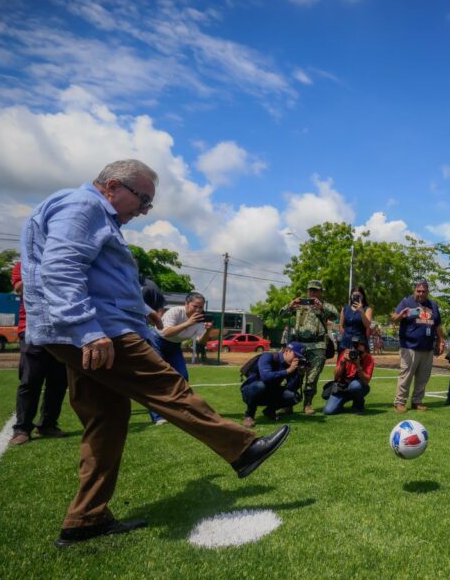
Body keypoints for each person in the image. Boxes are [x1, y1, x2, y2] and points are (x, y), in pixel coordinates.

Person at [21, 159, 288, 548]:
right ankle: (242, 449)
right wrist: (87, 330)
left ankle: (86, 517)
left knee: (107, 417)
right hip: (98, 331)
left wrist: (144, 312)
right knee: (167, 387)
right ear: (113, 186)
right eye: (143, 199)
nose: (145, 210)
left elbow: (100, 277)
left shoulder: (94, 213)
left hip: (85, 329)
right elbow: (61, 268)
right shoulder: (84, 207)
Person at [10, 261, 69, 445]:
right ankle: (22, 428)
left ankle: (48, 425)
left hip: (60, 330)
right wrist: (42, 271)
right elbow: (19, 288)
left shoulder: (61, 259)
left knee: (58, 381)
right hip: (32, 329)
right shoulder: (24, 264)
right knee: (30, 380)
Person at [147, 292, 212, 425]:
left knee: (182, 377)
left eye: (201, 307)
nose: (198, 310)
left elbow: (201, 341)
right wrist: (188, 323)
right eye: (195, 306)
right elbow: (166, 332)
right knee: (159, 378)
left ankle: (179, 410)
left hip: (174, 345)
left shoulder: (200, 319)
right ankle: (157, 416)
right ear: (187, 304)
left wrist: (208, 331)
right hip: (157, 341)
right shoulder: (175, 312)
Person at [284, 281, 338, 415]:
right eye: (310, 290)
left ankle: (308, 404)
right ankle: (288, 403)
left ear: (320, 292)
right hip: (299, 345)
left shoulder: (324, 306)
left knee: (312, 377)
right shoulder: (298, 305)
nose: (312, 293)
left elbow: (336, 315)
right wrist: (290, 306)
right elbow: (281, 315)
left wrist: (322, 307)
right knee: (294, 375)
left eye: (315, 290)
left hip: (317, 346)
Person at [391, 279, 445, 413]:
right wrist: (400, 316)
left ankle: (417, 401)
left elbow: (437, 325)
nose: (420, 294)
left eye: (423, 291)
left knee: (423, 378)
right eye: (418, 291)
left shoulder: (433, 305)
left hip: (427, 347)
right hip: (409, 346)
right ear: (414, 290)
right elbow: (393, 318)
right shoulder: (406, 302)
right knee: (406, 376)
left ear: (428, 292)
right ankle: (399, 402)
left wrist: (441, 340)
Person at [324, 338, 374, 415]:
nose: (356, 354)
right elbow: (336, 376)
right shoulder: (345, 354)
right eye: (356, 350)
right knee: (328, 411)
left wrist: (358, 365)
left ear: (365, 349)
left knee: (355, 386)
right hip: (342, 388)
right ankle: (341, 401)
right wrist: (342, 363)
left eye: (360, 352)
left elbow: (366, 381)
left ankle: (358, 403)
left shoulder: (368, 358)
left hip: (357, 386)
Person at [339, 286, 373, 351]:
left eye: (359, 296)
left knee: (360, 360)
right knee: (344, 361)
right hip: (345, 343)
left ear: (363, 296)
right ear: (351, 296)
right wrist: (346, 336)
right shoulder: (344, 309)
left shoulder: (367, 309)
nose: (356, 297)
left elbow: (367, 325)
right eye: (354, 295)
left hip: (360, 344)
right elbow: (341, 326)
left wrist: (362, 311)